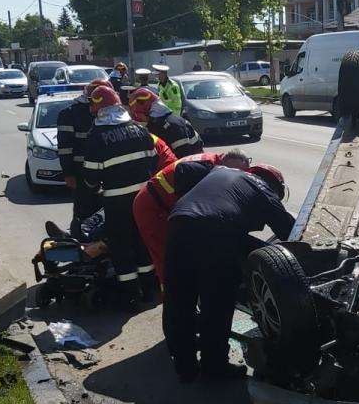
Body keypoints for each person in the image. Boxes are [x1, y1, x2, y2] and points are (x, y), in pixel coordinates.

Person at [163, 164, 294, 382]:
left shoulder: (219, 172)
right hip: (217, 231)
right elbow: (290, 231)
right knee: (216, 307)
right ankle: (214, 370)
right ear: (272, 184)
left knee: (180, 299)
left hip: (179, 222)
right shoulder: (261, 186)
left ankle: (184, 367)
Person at [81, 84, 174, 308]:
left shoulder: (97, 137)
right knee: (142, 243)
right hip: (144, 199)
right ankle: (149, 291)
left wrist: (95, 190)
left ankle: (130, 296)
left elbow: (91, 178)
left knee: (121, 248)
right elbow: (153, 162)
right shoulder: (140, 130)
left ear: (99, 108)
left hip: (116, 203)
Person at [132, 149, 250, 283]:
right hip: (152, 207)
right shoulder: (201, 169)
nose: (236, 177)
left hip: (166, 204)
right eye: (236, 171)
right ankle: (172, 298)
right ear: (227, 161)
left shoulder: (214, 164)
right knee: (167, 260)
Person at [56, 79, 107, 237]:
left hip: (104, 171)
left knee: (101, 208)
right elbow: (64, 148)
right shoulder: (70, 114)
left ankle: (89, 238)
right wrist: (68, 174)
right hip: (81, 172)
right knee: (83, 208)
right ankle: (77, 237)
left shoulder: (105, 112)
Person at [127, 87, 204, 157]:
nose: (139, 119)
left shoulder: (173, 126)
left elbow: (182, 158)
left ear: (148, 111)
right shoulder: (154, 125)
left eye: (139, 114)